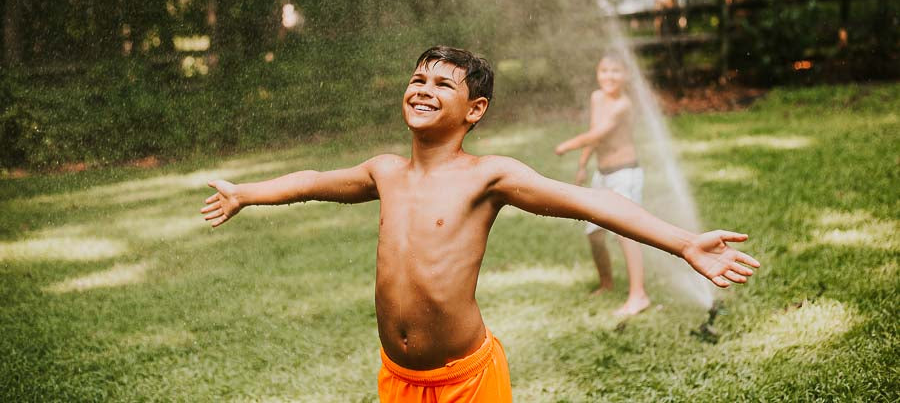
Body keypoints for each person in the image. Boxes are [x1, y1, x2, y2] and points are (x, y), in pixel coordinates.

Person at [201, 46, 760, 402]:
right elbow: (311, 180)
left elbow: (592, 202)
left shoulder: (487, 176)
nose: (424, 88)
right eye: (419, 78)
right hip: (398, 377)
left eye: (444, 84)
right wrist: (246, 193)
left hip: (468, 380)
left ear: (476, 109)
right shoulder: (385, 171)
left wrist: (684, 241)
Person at [554, 52, 649, 317]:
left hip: (624, 174)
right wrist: (584, 164)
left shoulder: (623, 105)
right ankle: (607, 283)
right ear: (598, 73)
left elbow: (598, 133)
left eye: (616, 71)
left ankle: (638, 295)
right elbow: (596, 136)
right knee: (594, 234)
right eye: (605, 70)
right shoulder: (598, 98)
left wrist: (569, 146)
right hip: (603, 174)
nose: (609, 76)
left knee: (625, 233)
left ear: (626, 76)